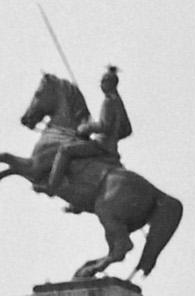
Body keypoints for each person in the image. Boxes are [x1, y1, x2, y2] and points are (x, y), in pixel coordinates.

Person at [42, 66, 132, 202]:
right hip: (111, 146)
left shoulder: (108, 102)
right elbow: (127, 129)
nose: (101, 85)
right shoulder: (118, 102)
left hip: (101, 146)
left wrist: (86, 128)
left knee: (65, 150)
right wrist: (113, 137)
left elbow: (104, 126)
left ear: (110, 83)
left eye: (103, 82)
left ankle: (52, 185)